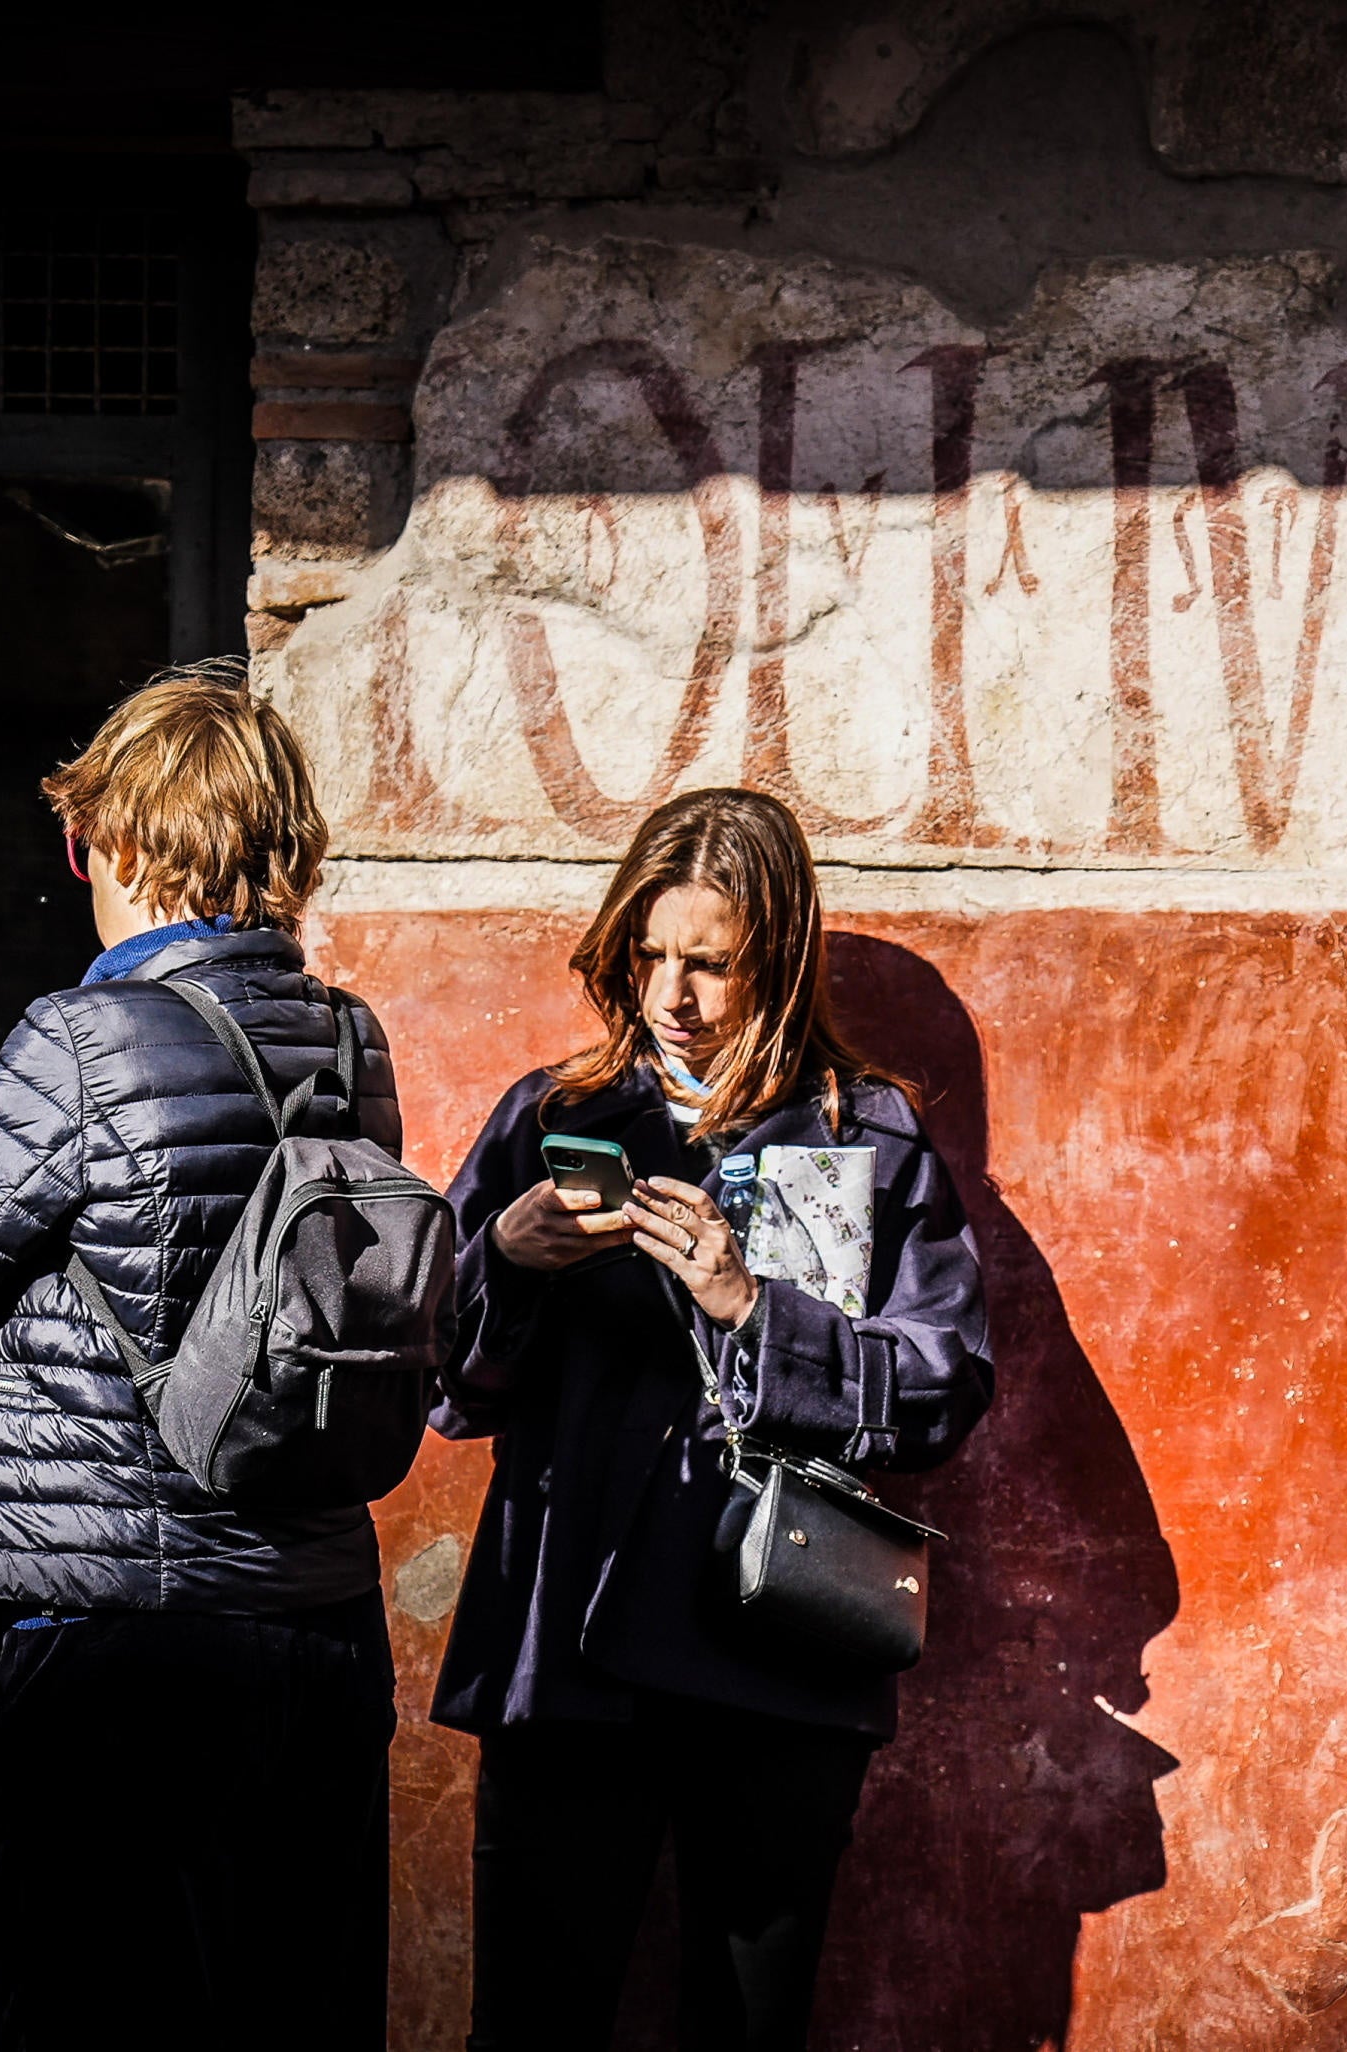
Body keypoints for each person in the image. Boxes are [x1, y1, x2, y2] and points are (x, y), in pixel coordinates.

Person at [0, 663, 402, 2052]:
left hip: (116, 1649)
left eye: (85, 834)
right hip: (319, 1630)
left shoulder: (85, 1042)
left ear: (124, 845)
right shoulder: (349, 1043)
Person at [432, 785, 994, 2052]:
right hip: (567, 1645)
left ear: (780, 963)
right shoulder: (554, 1116)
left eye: (711, 963)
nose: (670, 992)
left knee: (747, 2028)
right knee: (530, 2020)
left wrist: (754, 1309)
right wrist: (505, 1263)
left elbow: (944, 1386)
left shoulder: (866, 1137)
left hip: (781, 1647)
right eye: (649, 951)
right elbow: (443, 1392)